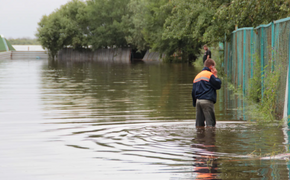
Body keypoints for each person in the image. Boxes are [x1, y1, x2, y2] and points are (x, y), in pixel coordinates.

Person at [192, 59, 222, 127]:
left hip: (198, 101)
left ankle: (199, 136)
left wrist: (194, 103)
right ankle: (210, 137)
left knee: (199, 125)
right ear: (211, 67)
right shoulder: (210, 75)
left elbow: (193, 91)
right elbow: (218, 85)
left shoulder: (197, 76)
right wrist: (215, 75)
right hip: (207, 101)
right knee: (210, 125)